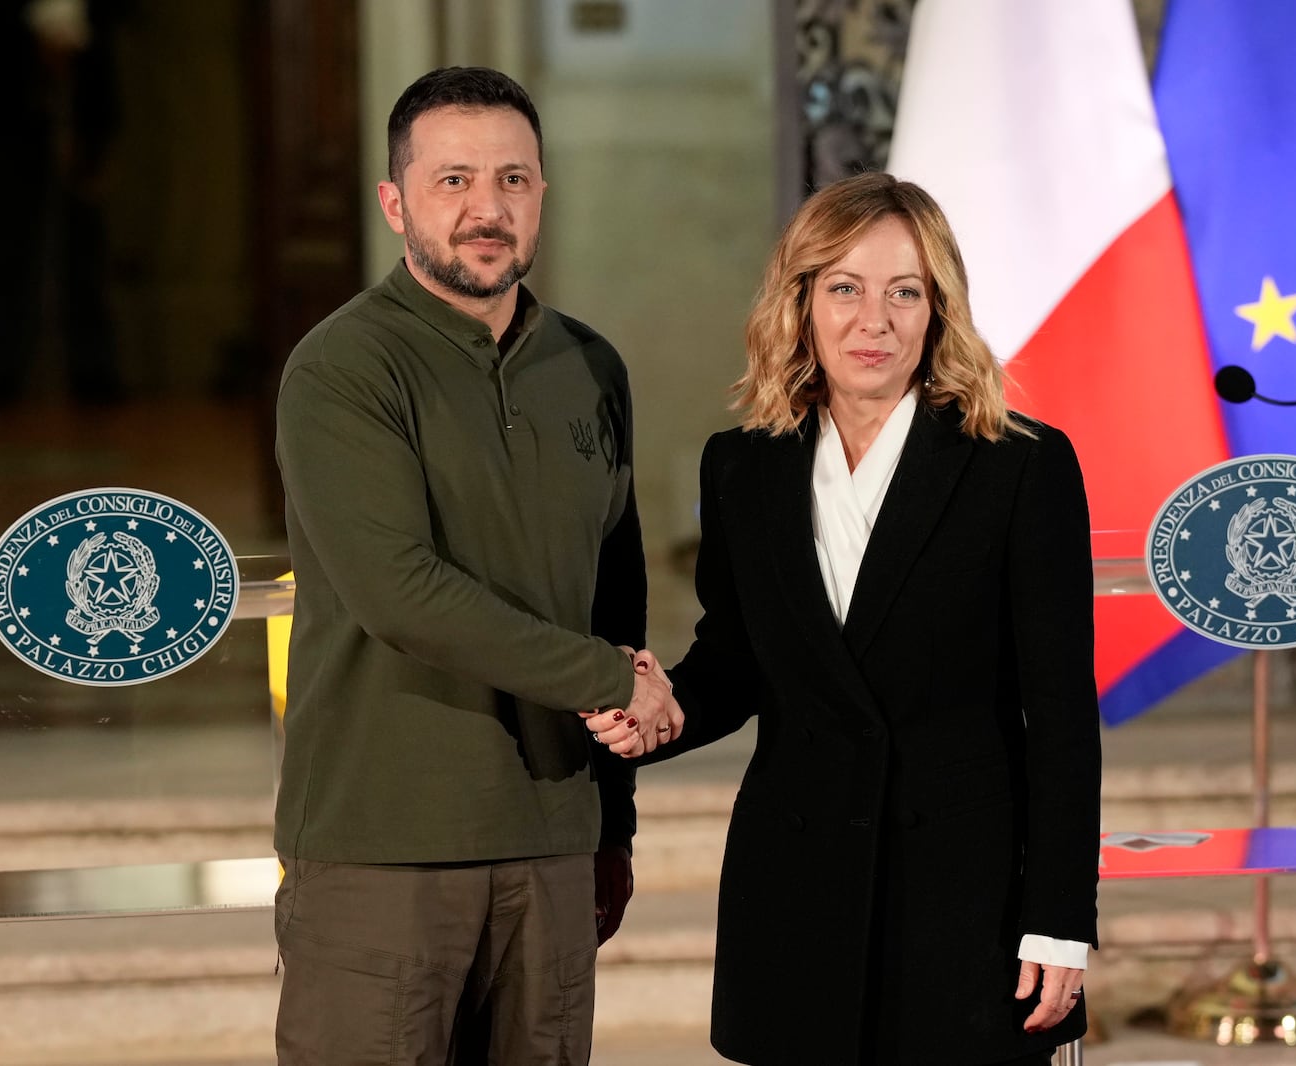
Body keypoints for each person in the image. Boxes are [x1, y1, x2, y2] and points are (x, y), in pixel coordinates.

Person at [585, 172, 1101, 1065]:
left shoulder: (1022, 466)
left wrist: (1059, 919)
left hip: (966, 897)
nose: (876, 321)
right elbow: (738, 660)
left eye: (906, 291)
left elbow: (1061, 718)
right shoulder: (742, 469)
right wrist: (663, 711)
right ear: (802, 303)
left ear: (939, 309)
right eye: (845, 289)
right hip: (795, 886)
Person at [271, 66, 681, 1065]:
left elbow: (609, 596)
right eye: (453, 180)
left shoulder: (590, 366)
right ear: (395, 201)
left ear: (542, 194)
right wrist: (605, 681)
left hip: (550, 843)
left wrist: (609, 820)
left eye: (513, 179)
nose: (486, 208)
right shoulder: (342, 368)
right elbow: (398, 591)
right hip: (385, 848)